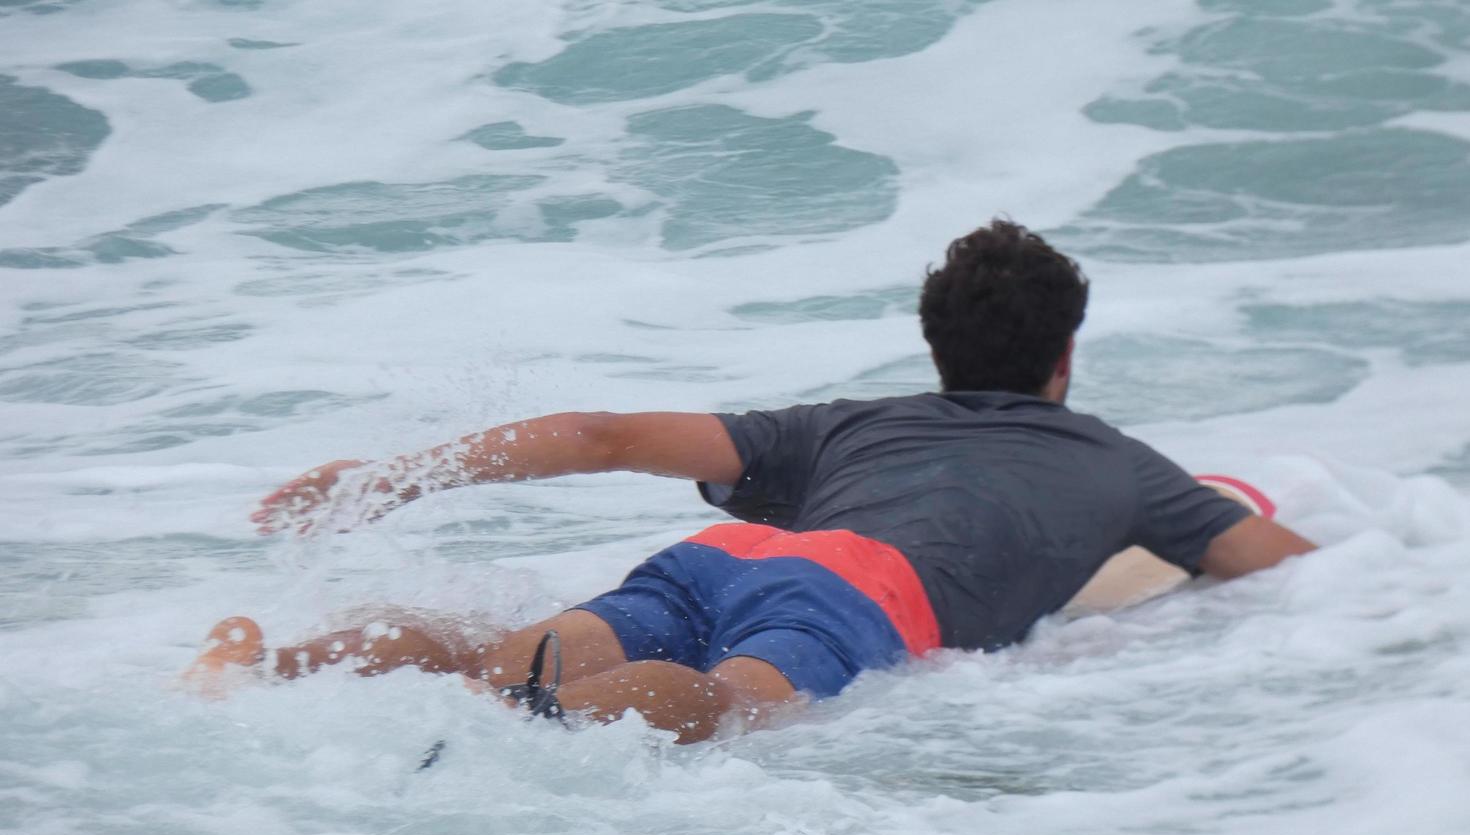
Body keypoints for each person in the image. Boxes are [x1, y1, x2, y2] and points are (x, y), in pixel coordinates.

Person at [184, 219, 1316, 742]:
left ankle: (262, 660)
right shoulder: (1119, 465)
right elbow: (1296, 574)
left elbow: (598, 432)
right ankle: (529, 729)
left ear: (938, 352)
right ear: (1063, 359)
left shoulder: (839, 425)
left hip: (724, 556)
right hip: (859, 597)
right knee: (723, 707)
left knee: (500, 656)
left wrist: (395, 476)